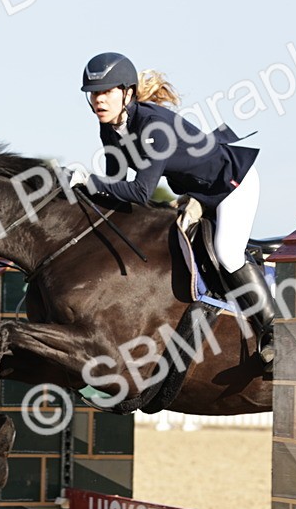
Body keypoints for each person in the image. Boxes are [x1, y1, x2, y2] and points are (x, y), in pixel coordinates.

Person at [69, 52, 275, 364]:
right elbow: (115, 183)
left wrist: (89, 181)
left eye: (107, 92)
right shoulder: (110, 129)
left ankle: (274, 331)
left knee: (227, 252)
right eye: (94, 93)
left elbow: (139, 192)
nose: (99, 100)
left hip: (232, 184)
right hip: (198, 191)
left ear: (126, 93)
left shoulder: (153, 128)